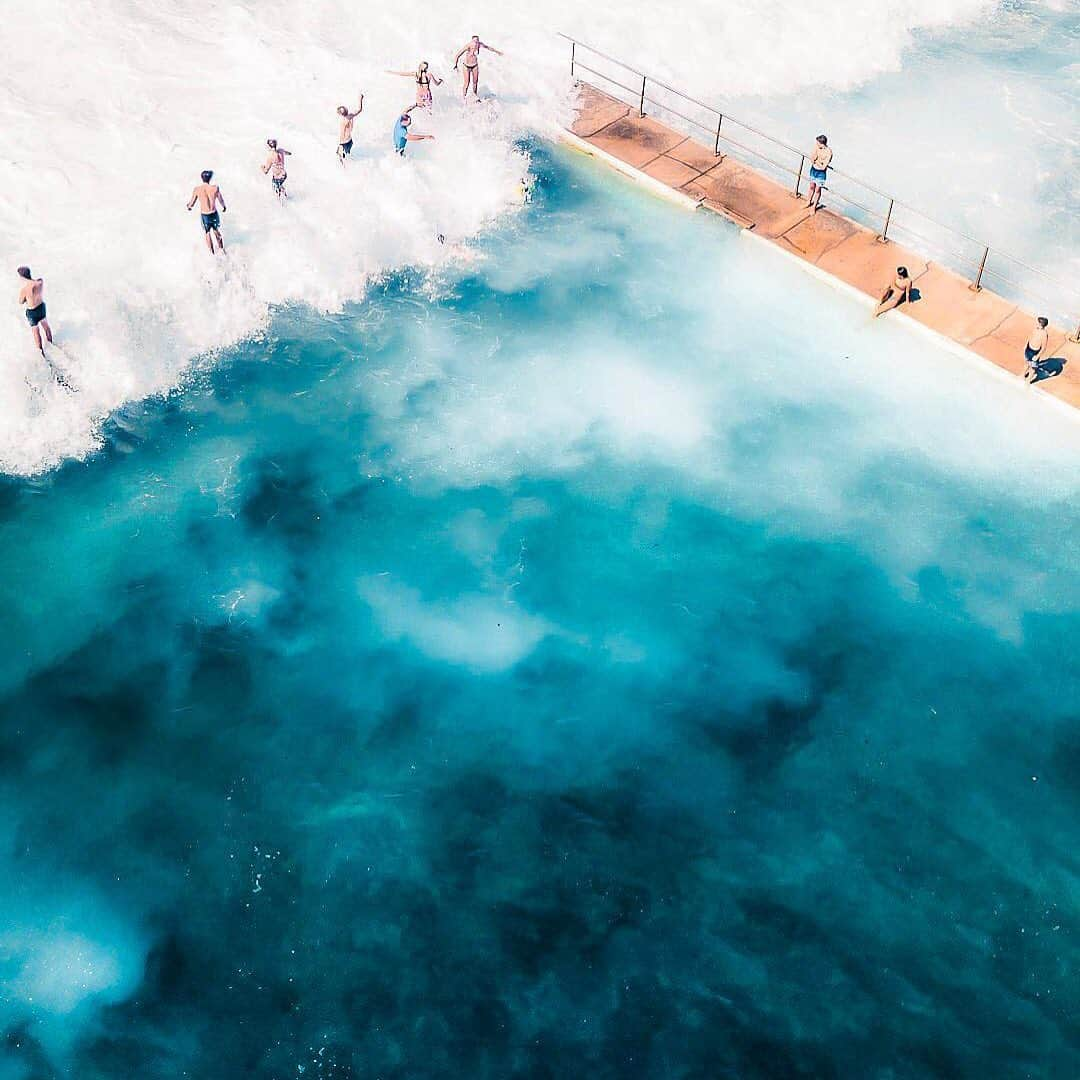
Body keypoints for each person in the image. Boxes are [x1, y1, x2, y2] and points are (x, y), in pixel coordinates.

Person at [186, 170, 227, 255]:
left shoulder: (197, 189)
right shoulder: (215, 188)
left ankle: (212, 254)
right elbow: (221, 200)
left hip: (205, 215)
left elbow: (192, 203)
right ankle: (222, 250)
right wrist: (224, 206)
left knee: (207, 232)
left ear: (202, 178)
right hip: (214, 213)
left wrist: (189, 206)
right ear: (210, 178)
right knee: (216, 230)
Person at [17, 266, 53, 354]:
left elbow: (20, 301)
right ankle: (51, 343)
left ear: (22, 277)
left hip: (32, 312)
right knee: (46, 327)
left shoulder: (25, 289)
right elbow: (36, 284)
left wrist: (27, 298)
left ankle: (41, 352)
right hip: (41, 307)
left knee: (36, 332)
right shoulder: (40, 282)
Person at [454, 35, 502, 100]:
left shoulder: (479, 45)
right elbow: (457, 55)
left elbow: (488, 47)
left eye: (477, 41)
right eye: (474, 41)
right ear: (472, 41)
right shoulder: (468, 46)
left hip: (475, 65)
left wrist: (497, 52)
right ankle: (464, 98)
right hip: (466, 66)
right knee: (467, 83)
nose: (476, 43)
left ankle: (475, 96)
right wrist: (455, 65)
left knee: (475, 82)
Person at [806, 134, 832, 213]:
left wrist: (816, 160)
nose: (816, 144)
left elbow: (823, 167)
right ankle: (808, 201)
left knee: (817, 190)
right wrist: (818, 162)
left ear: (822, 143)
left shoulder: (829, 152)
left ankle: (814, 207)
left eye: (817, 143)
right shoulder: (816, 146)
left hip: (821, 173)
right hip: (813, 169)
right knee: (811, 186)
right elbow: (812, 157)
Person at [337, 94, 364, 164]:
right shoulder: (349, 117)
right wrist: (360, 99)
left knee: (343, 158)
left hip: (346, 142)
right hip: (347, 142)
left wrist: (340, 146)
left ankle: (343, 166)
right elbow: (359, 110)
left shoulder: (346, 119)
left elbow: (342, 135)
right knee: (345, 157)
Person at [1023, 316, 1050, 383]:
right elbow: (1030, 336)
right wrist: (1026, 345)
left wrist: (1037, 356)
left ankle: (1028, 380)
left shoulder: (1044, 334)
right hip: (1029, 349)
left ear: (1041, 324)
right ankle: (1023, 375)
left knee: (1033, 368)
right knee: (1027, 363)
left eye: (1038, 323)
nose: (1037, 324)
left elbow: (1044, 347)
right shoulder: (1035, 329)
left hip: (1035, 352)